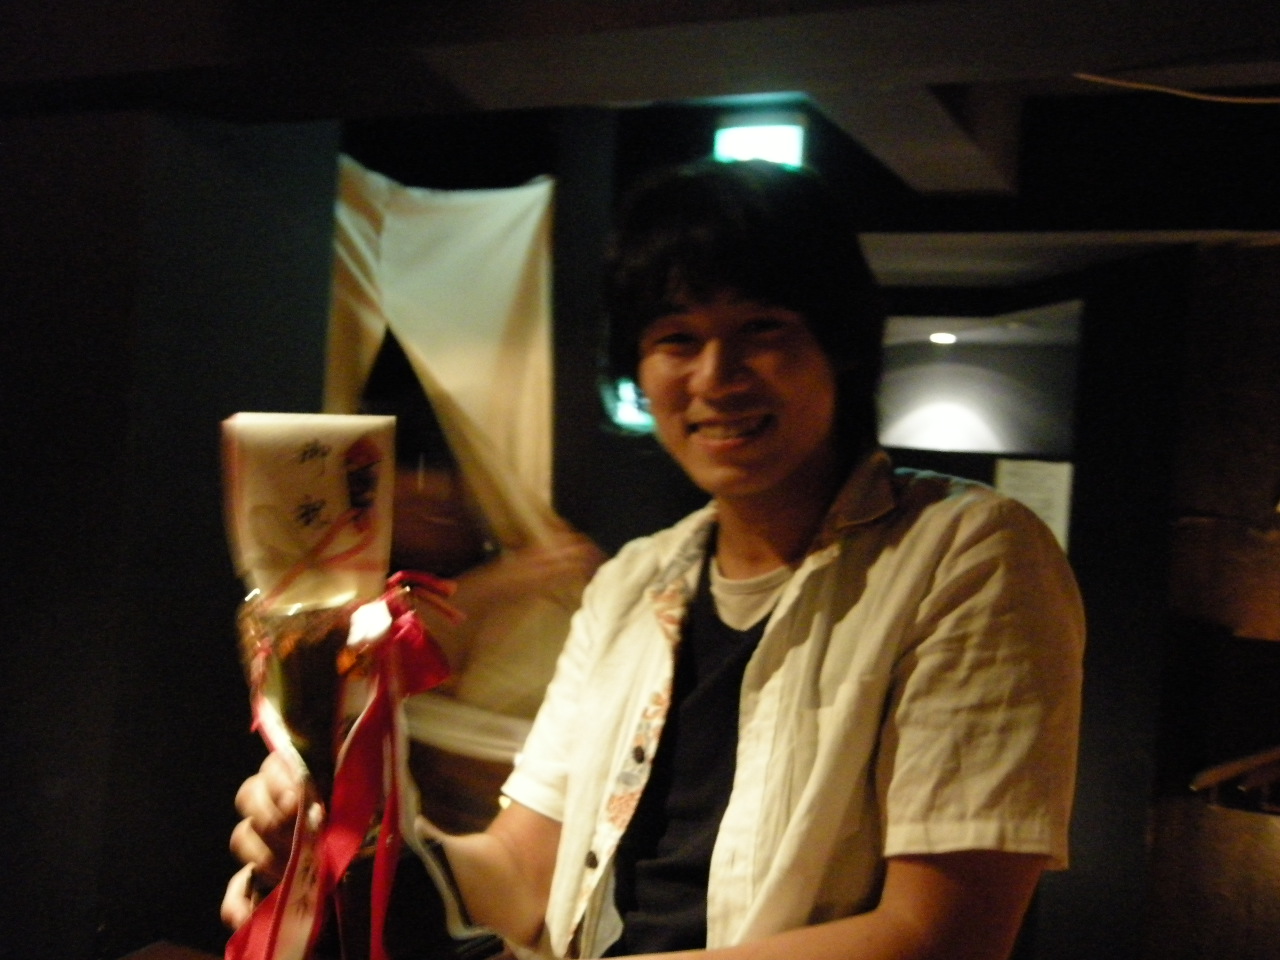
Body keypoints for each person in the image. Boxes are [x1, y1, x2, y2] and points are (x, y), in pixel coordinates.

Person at [225, 158, 1084, 960]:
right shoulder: (634, 582)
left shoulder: (966, 553)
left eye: (762, 329)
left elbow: (939, 936)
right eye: (677, 338)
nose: (716, 376)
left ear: (840, 345)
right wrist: (355, 852)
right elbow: (523, 873)